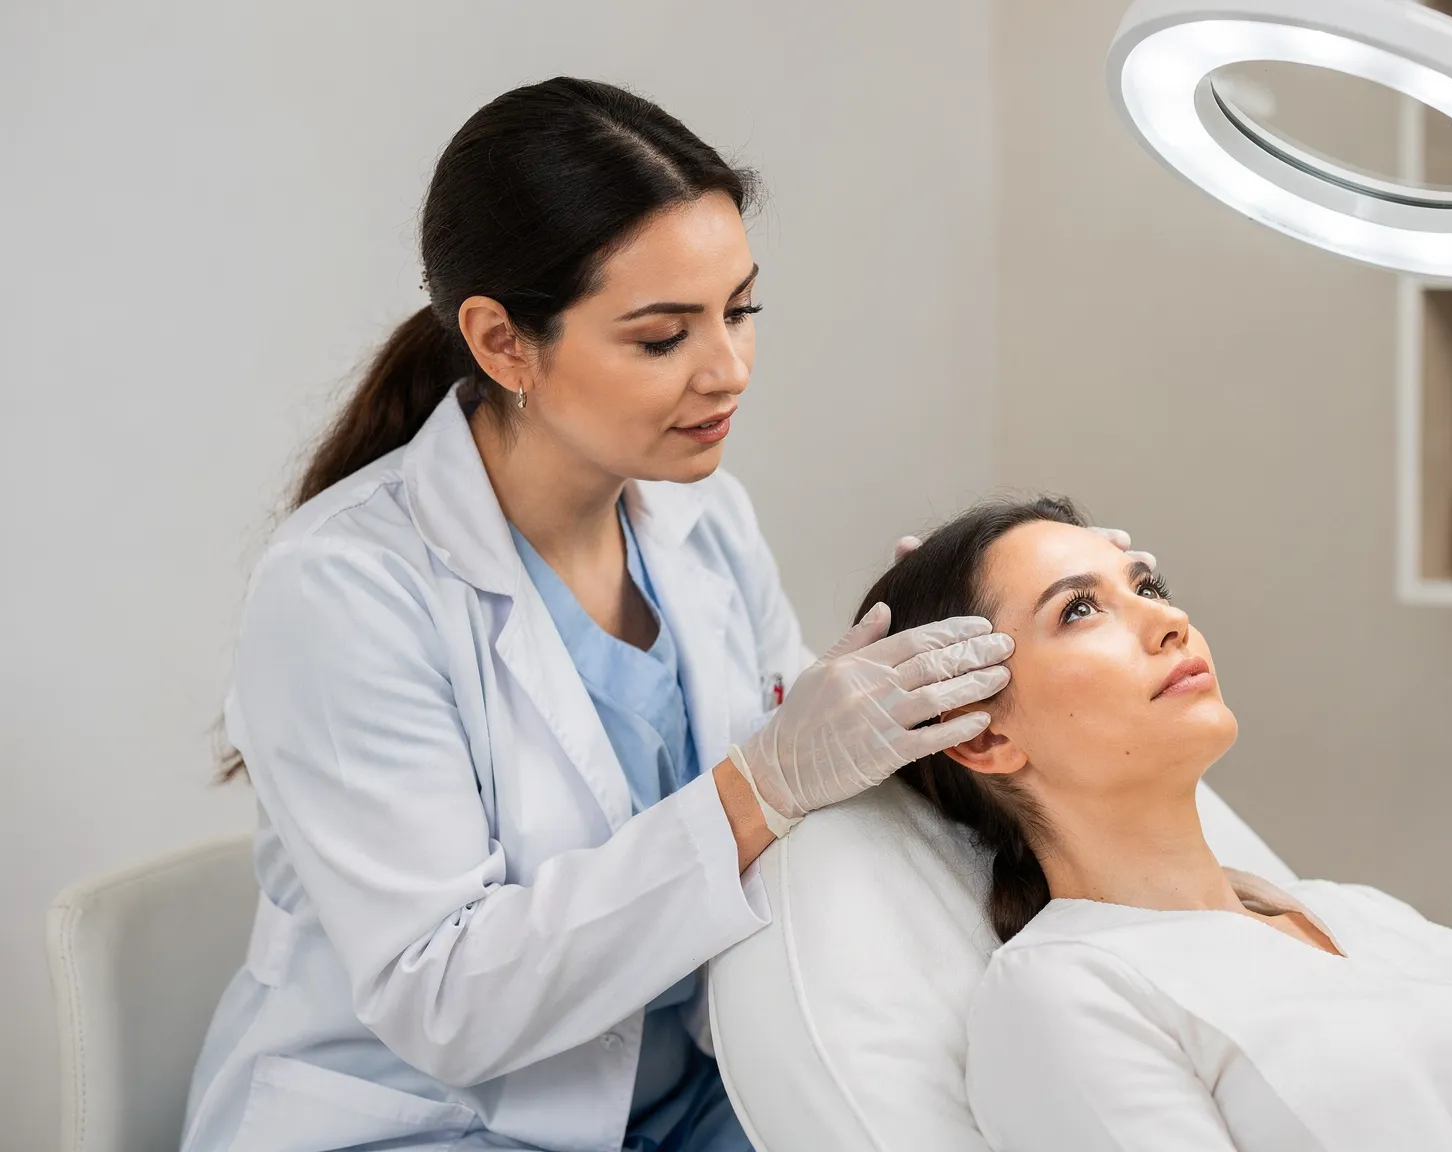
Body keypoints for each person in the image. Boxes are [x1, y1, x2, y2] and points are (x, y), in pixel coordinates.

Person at [182, 79, 1144, 1152]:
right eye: (659, 337)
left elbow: (798, 790)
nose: (726, 369)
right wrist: (765, 779)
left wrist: (929, 658)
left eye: (740, 310)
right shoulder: (344, 591)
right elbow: (445, 999)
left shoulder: (701, 519)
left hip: (693, 1091)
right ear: (503, 344)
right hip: (430, 1122)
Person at [860, 496, 1452, 1152]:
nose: (1168, 620)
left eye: (1145, 587)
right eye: (1080, 611)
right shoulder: (1068, 992)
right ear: (985, 736)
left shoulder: (1365, 916)